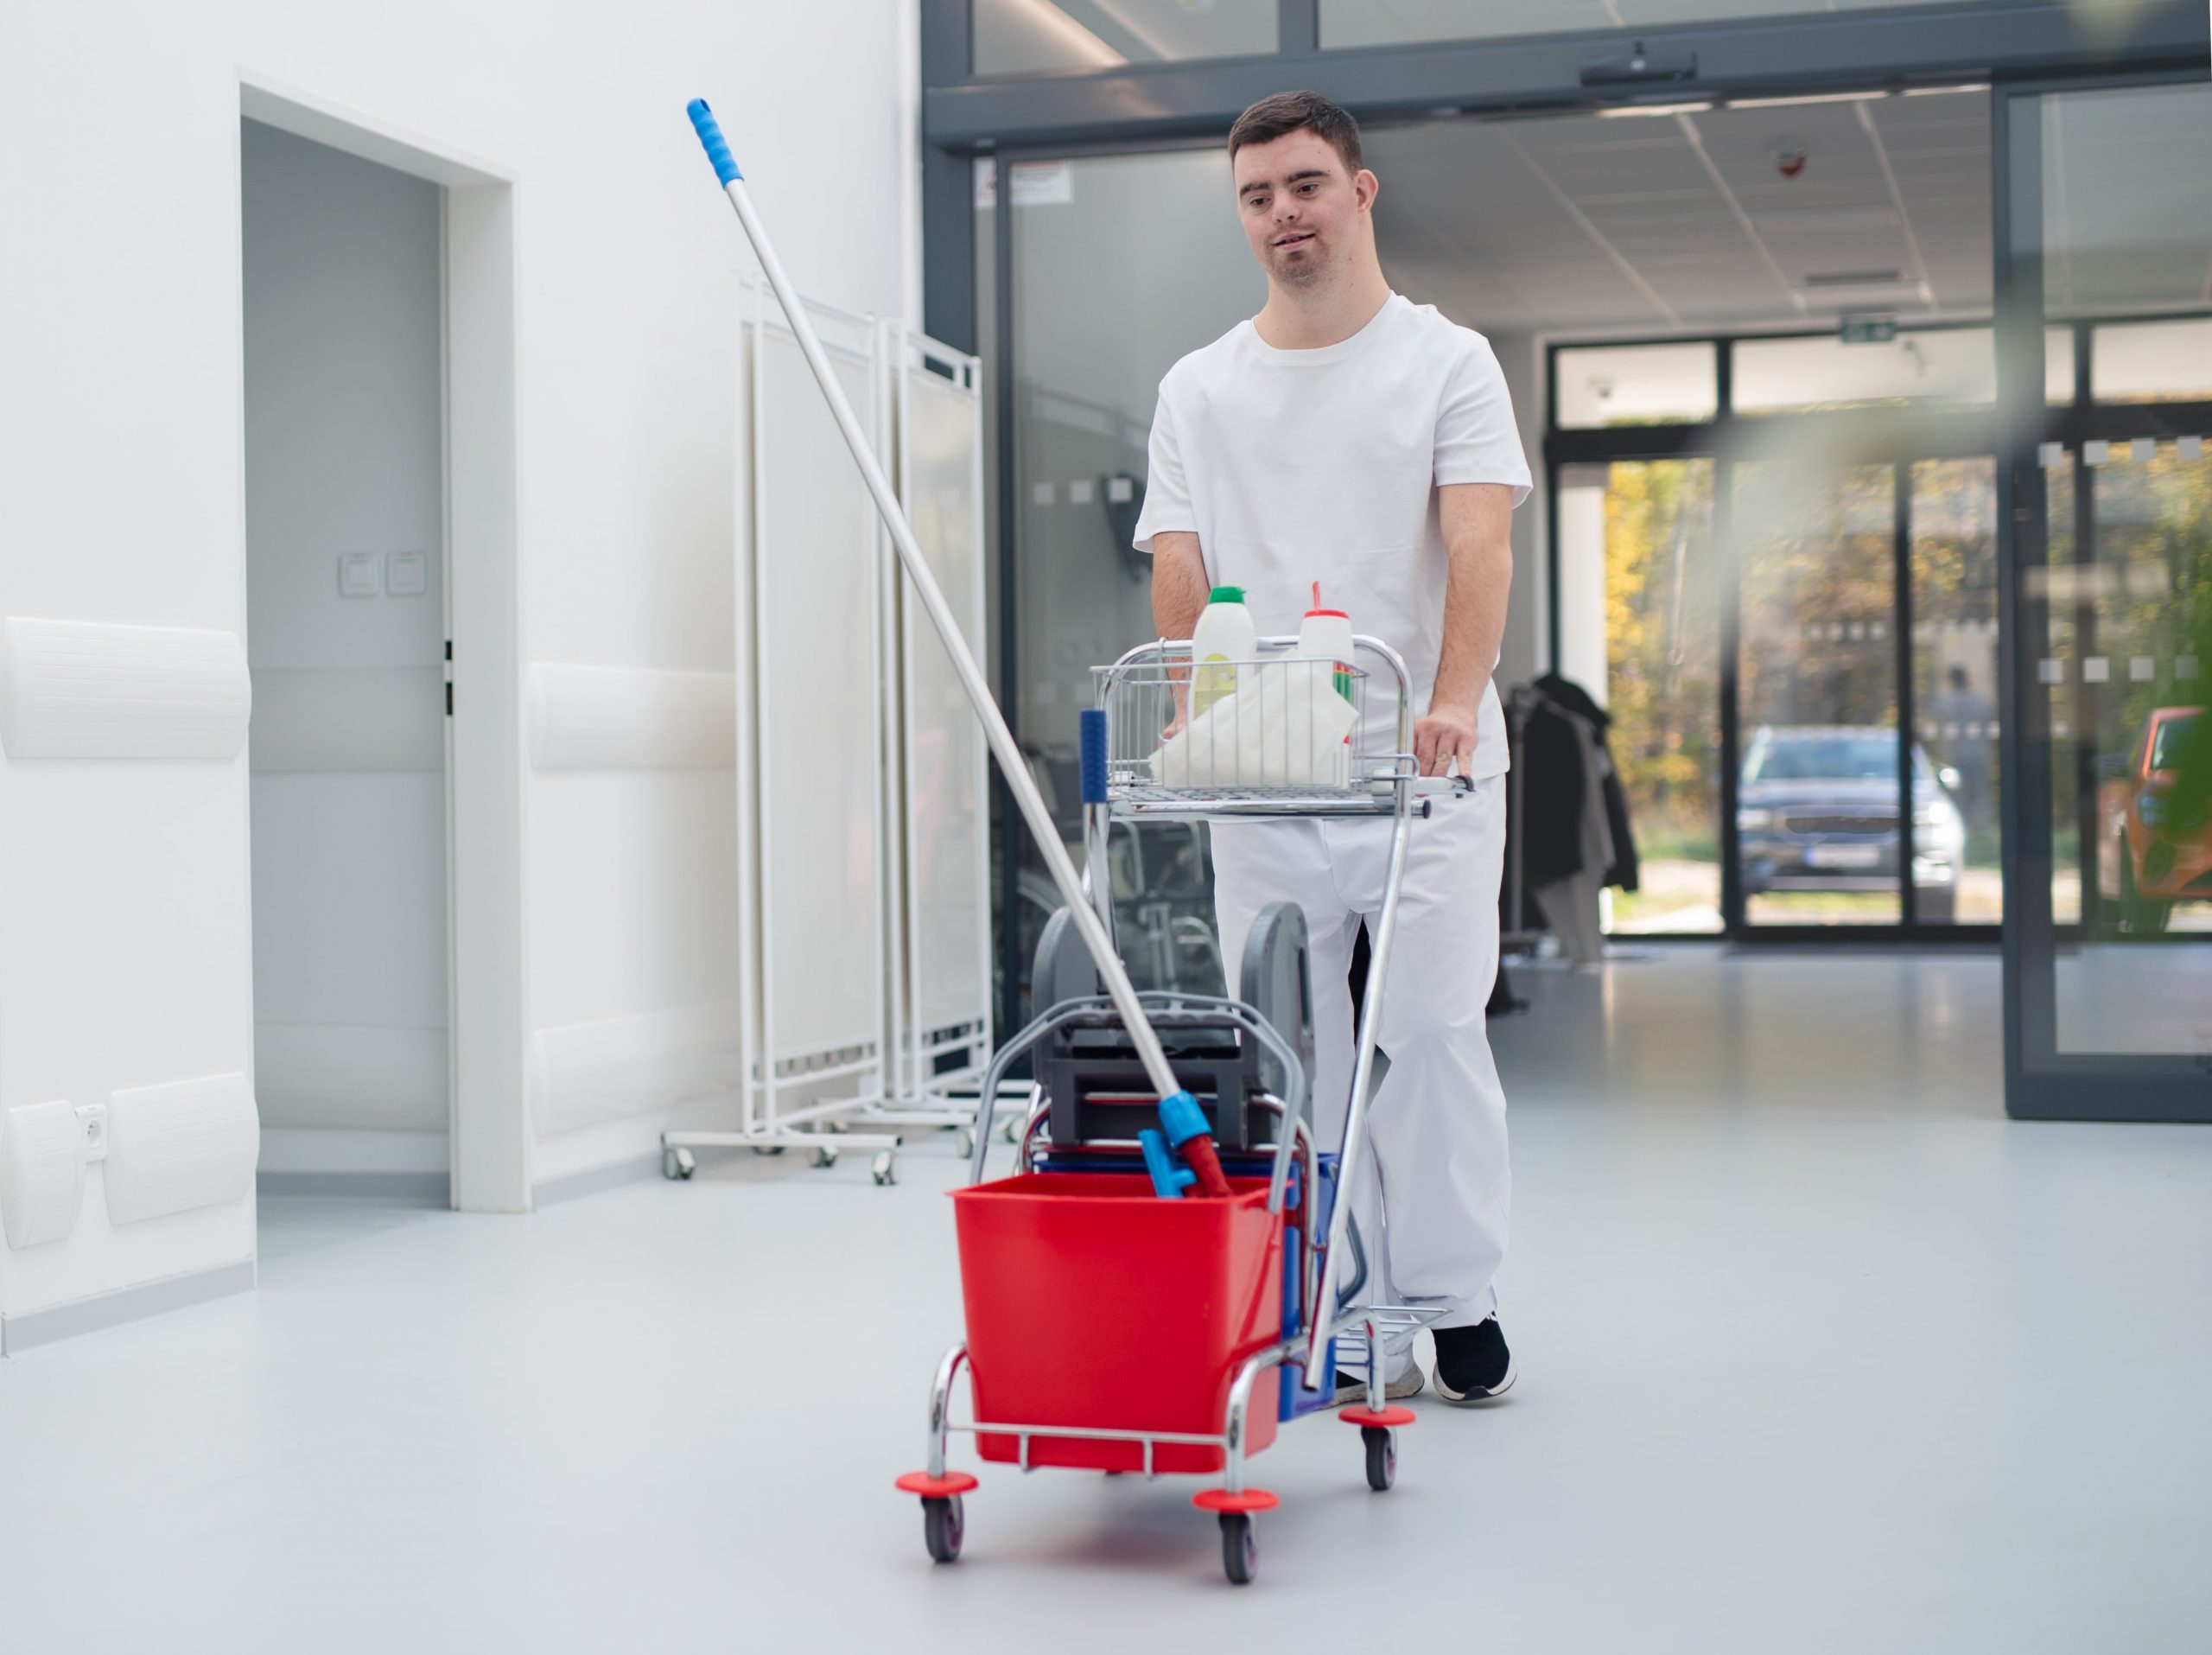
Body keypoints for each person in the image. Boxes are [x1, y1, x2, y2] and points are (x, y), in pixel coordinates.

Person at [1132, 90, 1529, 1404]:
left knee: (1424, 1027)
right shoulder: (1200, 386)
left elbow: (1479, 542)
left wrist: (1456, 700)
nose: (1281, 215)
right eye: (1256, 196)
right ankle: (1337, 1297)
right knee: (1290, 1041)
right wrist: (1194, 697)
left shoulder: (1446, 362)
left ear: (1359, 193)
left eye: (1304, 185)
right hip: (1266, 767)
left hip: (1424, 765)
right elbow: (1181, 557)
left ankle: (1452, 1293)